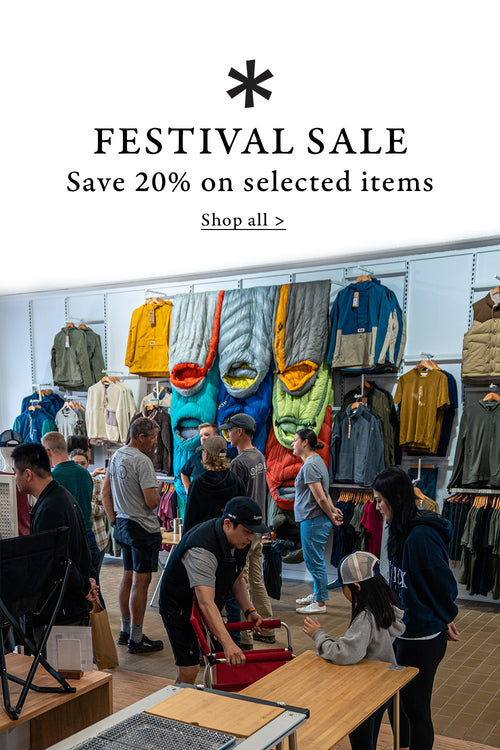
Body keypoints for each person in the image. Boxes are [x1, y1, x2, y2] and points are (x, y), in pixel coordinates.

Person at [373, 466, 460, 750]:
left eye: (380, 500)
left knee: (416, 710)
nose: (376, 507)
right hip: (403, 631)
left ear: (395, 499)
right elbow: (401, 582)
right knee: (397, 704)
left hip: (421, 638)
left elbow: (443, 584)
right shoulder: (400, 530)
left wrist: (443, 616)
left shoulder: (420, 537)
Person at [159, 496, 267, 684]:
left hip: (205, 603)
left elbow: (237, 577)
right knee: (190, 668)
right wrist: (228, 643)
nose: (251, 538)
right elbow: (206, 603)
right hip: (178, 605)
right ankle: (178, 701)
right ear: (228, 524)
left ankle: (212, 699)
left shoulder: (240, 541)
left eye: (254, 533)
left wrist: (249, 610)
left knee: (219, 663)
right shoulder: (202, 549)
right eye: (247, 532)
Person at [303, 551, 405, 750]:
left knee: (362, 744)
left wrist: (318, 635)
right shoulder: (386, 607)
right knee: (370, 740)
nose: (343, 592)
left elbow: (345, 654)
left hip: (366, 693)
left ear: (357, 587)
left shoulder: (366, 617)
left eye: (343, 587)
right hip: (383, 687)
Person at [11, 443, 98, 633]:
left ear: (28, 474)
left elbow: (60, 561)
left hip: (60, 613)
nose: (14, 478)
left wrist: (84, 586)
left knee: (60, 654)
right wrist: (87, 582)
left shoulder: (50, 509)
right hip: (68, 606)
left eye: (15, 472)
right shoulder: (61, 496)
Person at [101, 417, 163, 654]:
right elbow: (151, 502)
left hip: (124, 525)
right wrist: (158, 490)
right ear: (140, 437)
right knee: (141, 581)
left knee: (128, 577)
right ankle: (136, 639)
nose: (155, 442)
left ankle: (125, 632)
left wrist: (114, 520)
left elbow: (105, 492)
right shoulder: (142, 461)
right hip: (143, 528)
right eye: (153, 438)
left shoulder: (117, 456)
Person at [220, 413, 274, 647]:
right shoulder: (259, 456)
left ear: (239, 431)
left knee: (242, 582)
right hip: (257, 531)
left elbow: (233, 502)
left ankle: (246, 636)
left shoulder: (238, 463)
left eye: (229, 431)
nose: (228, 435)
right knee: (256, 580)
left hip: (243, 532)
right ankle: (268, 628)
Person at [292, 428, 343, 614]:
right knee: (314, 559)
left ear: (305, 442)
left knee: (314, 561)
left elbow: (320, 497)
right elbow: (324, 493)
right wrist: (333, 510)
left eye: (295, 440)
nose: (292, 444)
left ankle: (320, 602)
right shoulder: (317, 461)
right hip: (314, 518)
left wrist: (331, 515)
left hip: (313, 519)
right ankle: (317, 594)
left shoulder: (310, 465)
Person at [41, 432, 101, 590]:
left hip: (70, 540)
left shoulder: (52, 477)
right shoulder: (85, 473)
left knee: (77, 591)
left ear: (47, 451)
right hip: (89, 536)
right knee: (94, 589)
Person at [183, 435, 245, 532]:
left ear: (205, 454)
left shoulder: (198, 484)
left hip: (203, 536)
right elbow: (242, 515)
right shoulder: (237, 481)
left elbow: (190, 519)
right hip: (228, 537)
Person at [70, 449, 109, 579]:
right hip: (75, 539)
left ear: (88, 464)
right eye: (76, 463)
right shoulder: (67, 484)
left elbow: (107, 509)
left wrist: (86, 505)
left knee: (94, 579)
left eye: (83, 463)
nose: (80, 466)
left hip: (97, 539)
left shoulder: (97, 483)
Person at [180, 422, 219, 494]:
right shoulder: (195, 457)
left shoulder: (227, 457)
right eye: (201, 436)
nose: (203, 438)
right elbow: (184, 473)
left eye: (206, 435)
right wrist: (189, 492)